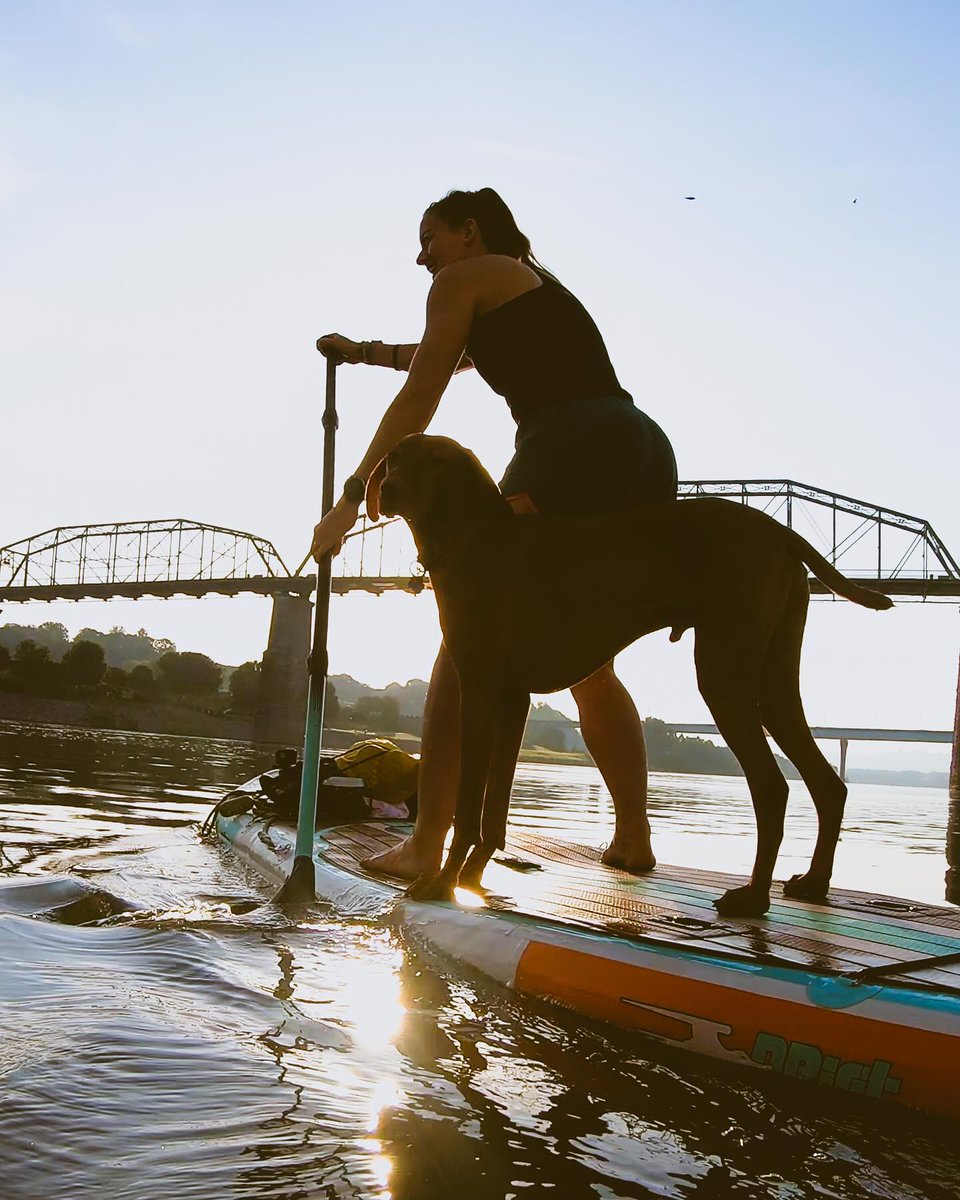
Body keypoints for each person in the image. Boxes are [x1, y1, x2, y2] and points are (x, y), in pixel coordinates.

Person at [313, 187, 677, 881]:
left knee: (467, 634)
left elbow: (424, 392)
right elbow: (447, 356)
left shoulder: (462, 278)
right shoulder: (530, 286)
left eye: (430, 238)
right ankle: (633, 835)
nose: (421, 256)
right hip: (639, 448)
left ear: (469, 232)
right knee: (589, 661)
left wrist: (351, 494)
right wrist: (360, 351)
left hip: (569, 444)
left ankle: (428, 842)